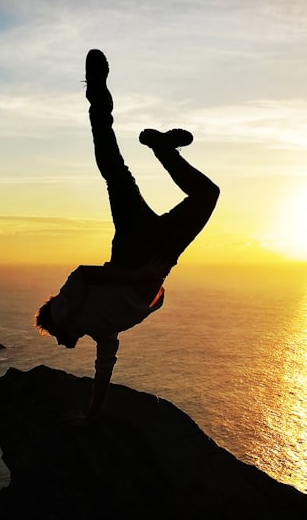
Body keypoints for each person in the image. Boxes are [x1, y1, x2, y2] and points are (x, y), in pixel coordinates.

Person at [35, 49, 219, 425]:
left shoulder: (64, 311)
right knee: (206, 195)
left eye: (54, 336)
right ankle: (164, 151)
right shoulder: (102, 330)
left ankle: (97, 94)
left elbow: (85, 273)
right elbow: (104, 373)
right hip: (162, 255)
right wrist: (92, 417)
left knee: (114, 169)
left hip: (136, 252)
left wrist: (135, 278)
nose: (59, 343)